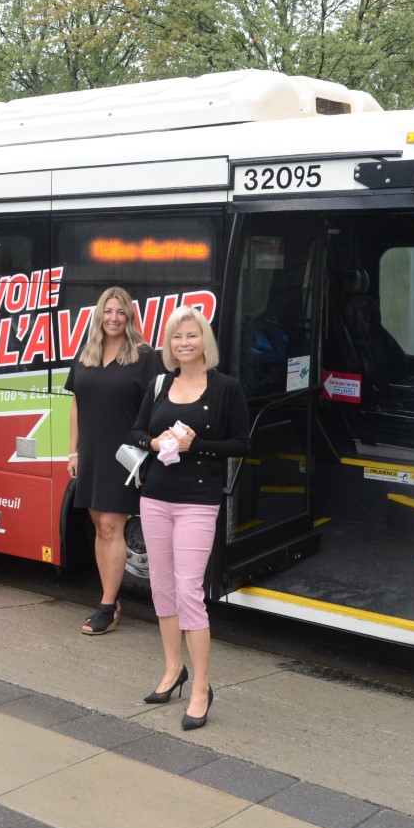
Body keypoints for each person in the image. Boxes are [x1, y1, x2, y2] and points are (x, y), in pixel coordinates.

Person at [130, 307, 249, 730]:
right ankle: (171, 670)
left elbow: (241, 443)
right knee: (161, 587)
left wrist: (196, 446)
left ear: (204, 341)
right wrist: (155, 439)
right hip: (155, 498)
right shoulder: (161, 383)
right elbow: (136, 432)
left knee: (188, 591)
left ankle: (201, 687)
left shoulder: (226, 388)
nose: (184, 344)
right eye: (177, 337)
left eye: (191, 336)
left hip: (199, 501)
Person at [64, 286, 163, 635]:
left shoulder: (144, 355)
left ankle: (107, 605)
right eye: (108, 311)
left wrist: (150, 448)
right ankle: (110, 599)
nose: (113, 318)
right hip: (91, 451)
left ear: (129, 317)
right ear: (99, 315)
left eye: (120, 312)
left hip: (124, 454)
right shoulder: (87, 351)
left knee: (111, 526)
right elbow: (76, 403)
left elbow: (156, 405)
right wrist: (73, 451)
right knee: (98, 526)